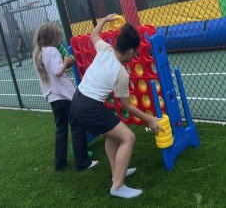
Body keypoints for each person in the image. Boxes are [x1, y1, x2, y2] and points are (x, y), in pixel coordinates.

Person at [70, 14, 164, 198]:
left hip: (77, 100)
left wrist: (104, 20)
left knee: (112, 136)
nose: (136, 55)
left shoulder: (105, 49)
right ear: (130, 51)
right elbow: (127, 106)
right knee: (128, 138)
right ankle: (118, 186)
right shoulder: (121, 73)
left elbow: (93, 35)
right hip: (90, 107)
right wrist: (149, 119)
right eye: (136, 52)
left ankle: (117, 173)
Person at [33, 23, 97, 171]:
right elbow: (57, 72)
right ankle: (82, 163)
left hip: (53, 98)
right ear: (53, 37)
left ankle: (60, 163)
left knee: (61, 130)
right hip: (65, 97)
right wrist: (66, 62)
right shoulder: (53, 51)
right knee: (77, 127)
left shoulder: (39, 53)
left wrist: (62, 67)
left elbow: (52, 74)